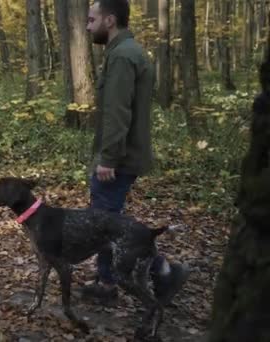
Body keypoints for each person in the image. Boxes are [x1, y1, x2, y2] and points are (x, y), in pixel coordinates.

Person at [82, 0, 189, 303]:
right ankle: (143, 275)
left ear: (110, 20)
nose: (88, 26)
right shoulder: (126, 52)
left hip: (119, 158)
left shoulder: (123, 56)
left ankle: (158, 274)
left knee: (103, 222)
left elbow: (118, 113)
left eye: (92, 20)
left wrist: (108, 159)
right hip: (124, 155)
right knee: (107, 221)